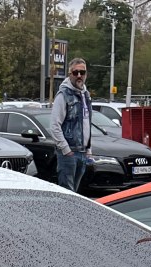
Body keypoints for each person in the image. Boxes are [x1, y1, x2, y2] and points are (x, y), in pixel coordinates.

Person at [50, 58, 93, 190]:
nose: (79, 75)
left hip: (82, 152)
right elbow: (54, 125)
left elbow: (86, 123)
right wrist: (66, 150)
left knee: (75, 195)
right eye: (76, 72)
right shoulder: (63, 95)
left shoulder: (86, 95)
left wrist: (88, 149)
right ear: (70, 74)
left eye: (82, 72)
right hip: (69, 154)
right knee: (67, 194)